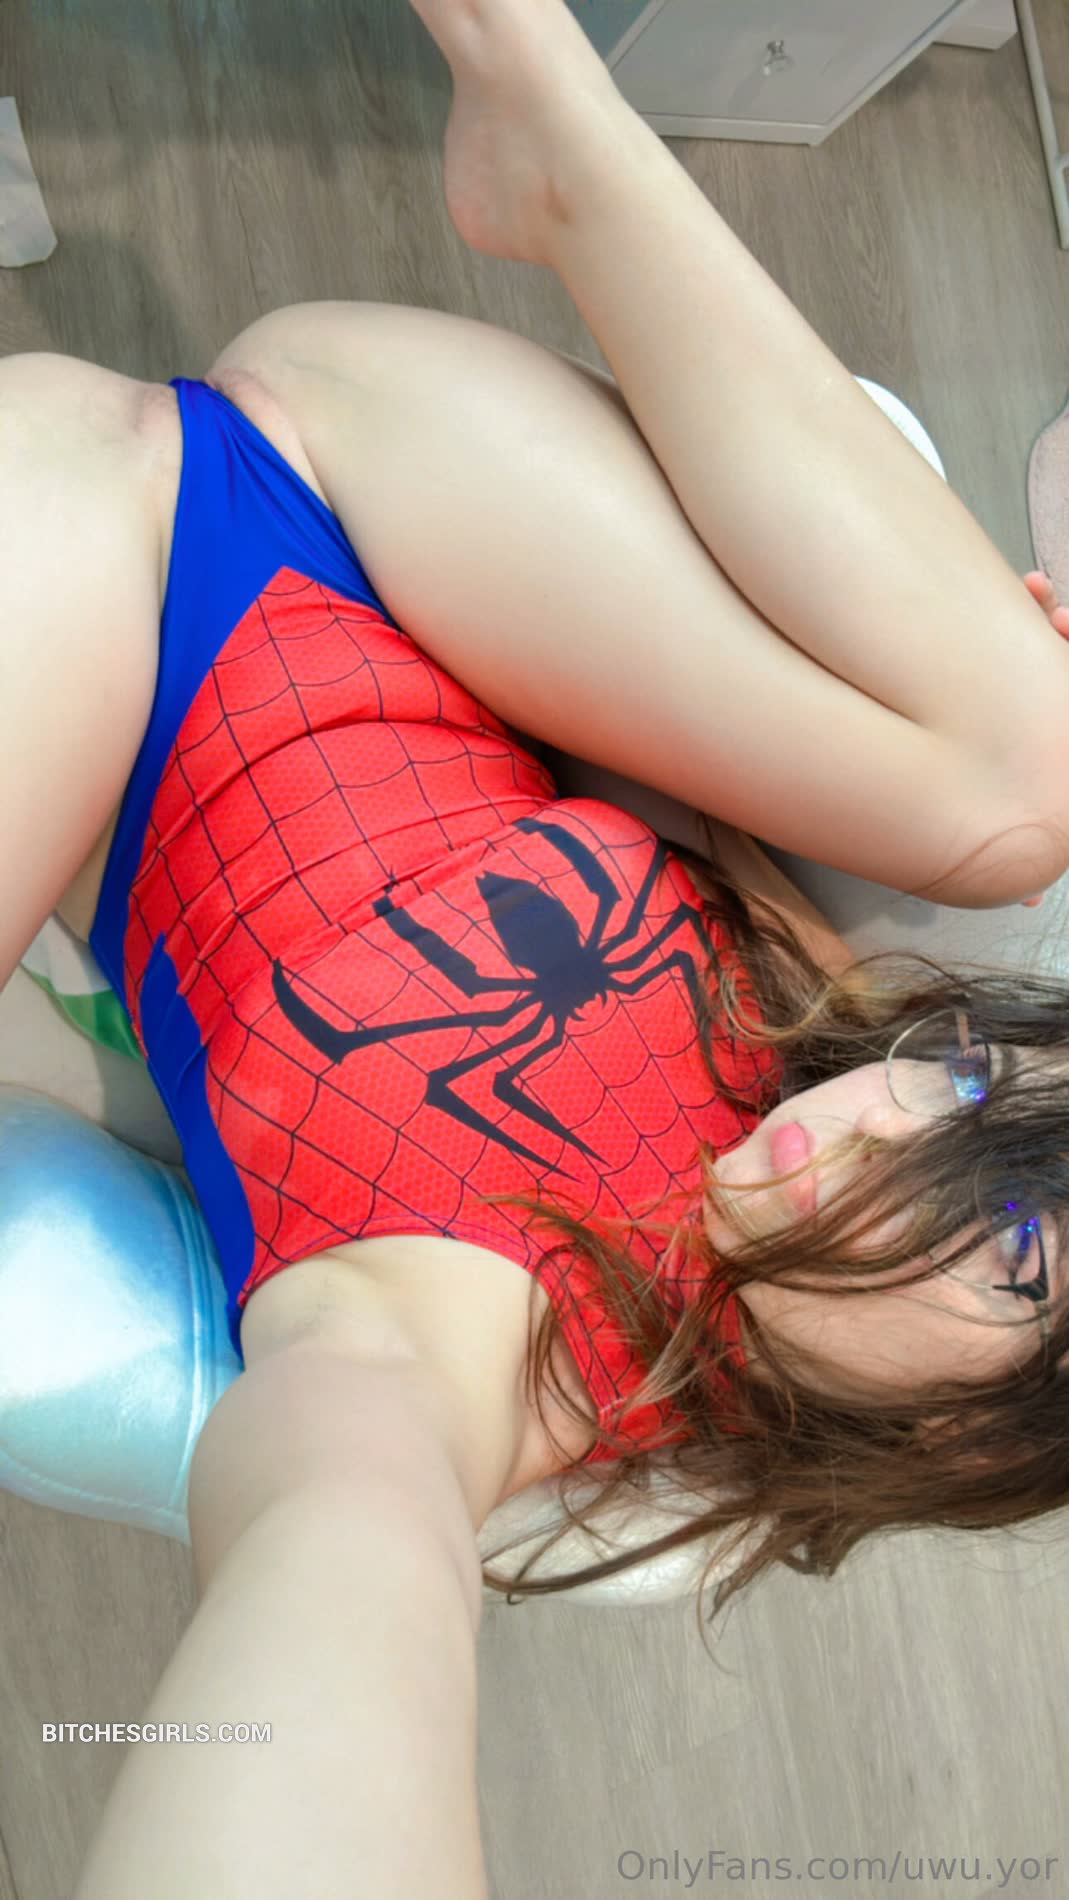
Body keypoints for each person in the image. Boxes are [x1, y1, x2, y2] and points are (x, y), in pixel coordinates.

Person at [0, 0, 1062, 1893]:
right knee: (1027, 780)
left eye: (1016, 1250)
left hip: (74, 562)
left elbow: (344, 1585)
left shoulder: (485, 1372)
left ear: (970, 1438)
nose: (895, 1130)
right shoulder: (810, 1033)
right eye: (974, 1094)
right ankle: (539, 101)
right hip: (367, 483)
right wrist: (946, 622)